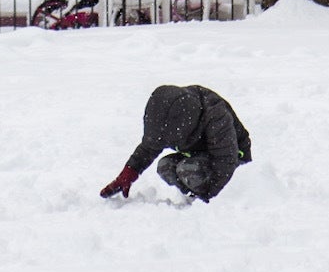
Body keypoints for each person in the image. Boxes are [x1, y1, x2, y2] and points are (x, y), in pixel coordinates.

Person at [100, 84, 251, 202]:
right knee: (165, 166)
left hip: (233, 160)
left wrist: (212, 197)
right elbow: (149, 147)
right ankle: (194, 197)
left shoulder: (215, 116)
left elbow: (225, 160)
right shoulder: (168, 114)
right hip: (202, 155)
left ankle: (204, 200)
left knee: (187, 169)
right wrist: (128, 173)